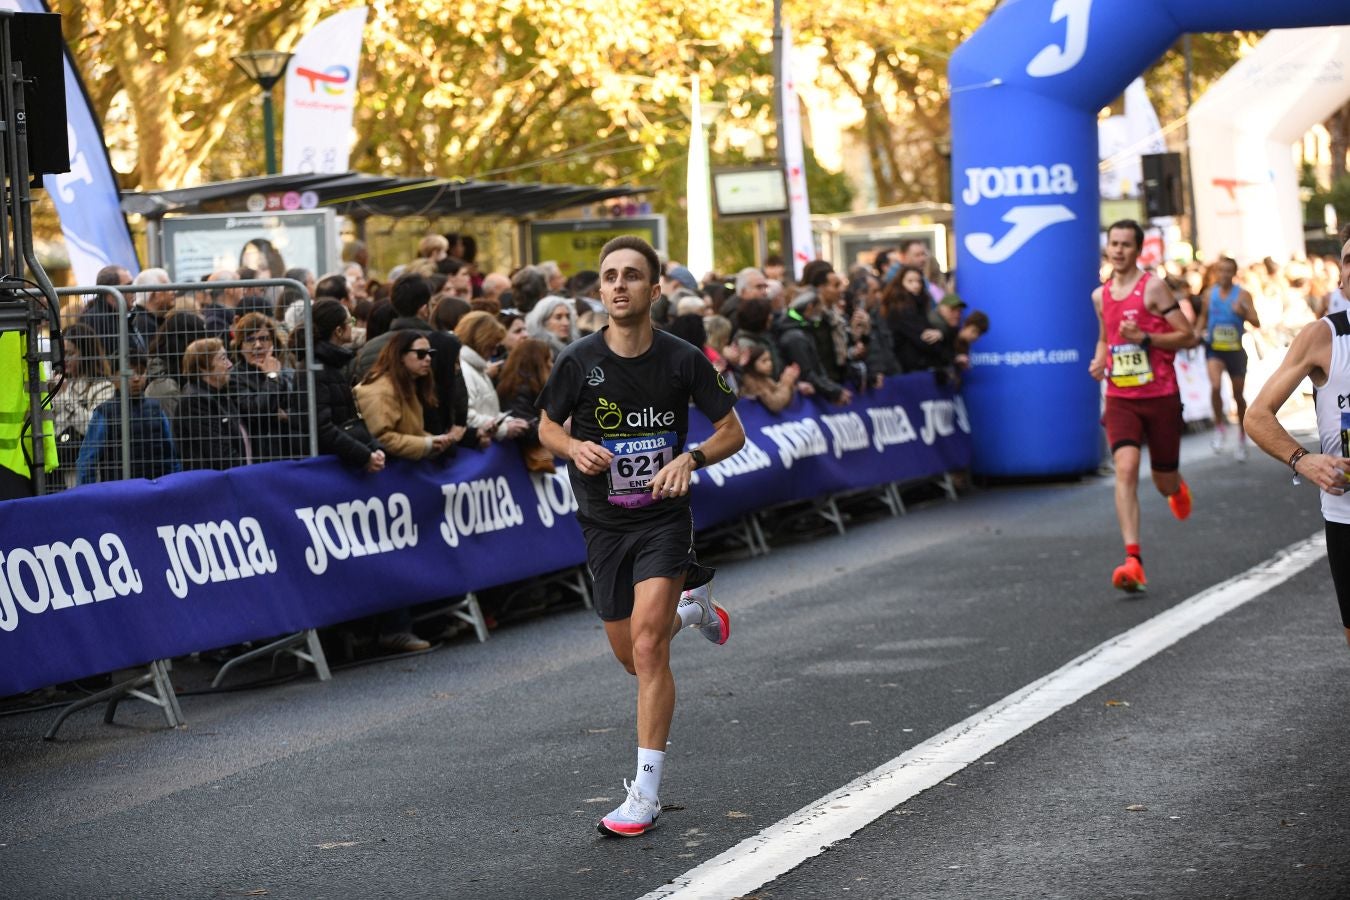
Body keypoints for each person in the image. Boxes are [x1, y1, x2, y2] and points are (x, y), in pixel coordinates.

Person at [536, 235, 745, 838]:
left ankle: (644, 795)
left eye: (631, 275)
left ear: (654, 290)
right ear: (600, 291)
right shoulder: (578, 360)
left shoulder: (683, 359)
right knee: (632, 658)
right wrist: (573, 447)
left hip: (662, 518)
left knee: (650, 650)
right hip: (603, 523)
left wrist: (690, 459)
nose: (619, 285)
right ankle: (692, 610)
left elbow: (732, 430)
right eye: (609, 277)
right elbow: (546, 426)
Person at [1245, 230, 1350, 647]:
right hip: (1346, 511)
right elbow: (1257, 416)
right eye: (1348, 260)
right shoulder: (1323, 337)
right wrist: (1303, 460)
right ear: (1340, 277)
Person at [1089, 220, 1199, 593]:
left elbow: (1188, 336)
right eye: (1114, 244)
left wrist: (1147, 338)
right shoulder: (1100, 296)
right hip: (1121, 398)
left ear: (1137, 250)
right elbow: (1105, 338)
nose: (1118, 250)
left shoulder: (1153, 288)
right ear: (1107, 248)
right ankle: (1133, 561)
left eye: (1126, 245)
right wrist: (1099, 359)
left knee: (1163, 481)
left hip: (1160, 396)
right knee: (1126, 467)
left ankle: (1175, 488)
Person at [293, 300, 386, 473]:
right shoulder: (315, 369)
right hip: (328, 467)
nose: (353, 326)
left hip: (340, 460)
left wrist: (373, 448)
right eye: (350, 321)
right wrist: (363, 456)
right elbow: (322, 428)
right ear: (338, 331)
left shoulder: (332, 365)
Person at [75, 349, 181, 485]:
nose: (136, 379)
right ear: (114, 378)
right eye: (129, 374)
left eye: (141, 372)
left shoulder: (156, 409)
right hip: (119, 492)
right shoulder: (105, 413)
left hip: (152, 489)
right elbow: (87, 461)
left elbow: (170, 455)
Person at [354, 330, 457, 462]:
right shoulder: (381, 390)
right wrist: (427, 443)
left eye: (431, 353)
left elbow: (411, 431)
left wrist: (434, 441)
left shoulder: (408, 384)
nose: (428, 358)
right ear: (401, 356)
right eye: (421, 354)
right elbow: (381, 438)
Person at [1194, 256, 1260, 460]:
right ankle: (1219, 428)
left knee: (1238, 395)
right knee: (1215, 386)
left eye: (1228, 270)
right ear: (1216, 272)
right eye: (1220, 270)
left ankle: (1241, 435)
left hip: (1235, 351)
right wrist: (1196, 332)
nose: (1224, 274)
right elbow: (1203, 317)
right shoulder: (1209, 293)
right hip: (1215, 349)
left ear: (1234, 273)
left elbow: (1256, 321)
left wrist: (1243, 312)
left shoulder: (1243, 295)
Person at [229, 313, 305, 462]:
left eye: (264, 338)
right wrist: (272, 377)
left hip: (295, 452)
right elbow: (256, 412)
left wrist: (287, 416)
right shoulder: (235, 377)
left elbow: (303, 409)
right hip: (262, 457)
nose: (258, 345)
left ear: (273, 343)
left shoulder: (288, 372)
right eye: (250, 340)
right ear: (240, 346)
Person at [173, 338, 250, 470]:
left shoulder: (219, 393)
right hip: (217, 478)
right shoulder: (195, 400)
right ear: (203, 367)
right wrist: (242, 474)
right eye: (223, 358)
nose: (230, 364)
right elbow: (219, 451)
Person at [454, 311, 529, 443]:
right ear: (481, 342)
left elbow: (489, 411)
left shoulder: (478, 368)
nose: (494, 352)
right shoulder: (466, 370)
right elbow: (467, 417)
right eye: (492, 346)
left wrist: (508, 420)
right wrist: (504, 428)